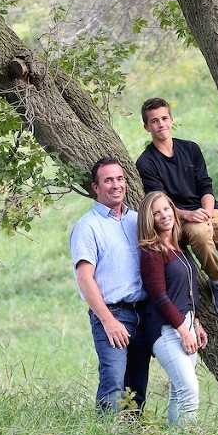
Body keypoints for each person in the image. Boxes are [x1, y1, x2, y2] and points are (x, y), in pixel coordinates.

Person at [136, 97, 218, 320]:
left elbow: (205, 185)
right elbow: (160, 201)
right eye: (154, 121)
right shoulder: (146, 162)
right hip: (182, 218)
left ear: (171, 120)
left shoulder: (190, 149)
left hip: (211, 210)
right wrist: (190, 215)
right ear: (147, 127)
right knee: (200, 234)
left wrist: (208, 215)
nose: (160, 124)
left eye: (164, 118)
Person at [69, 157, 151, 413]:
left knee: (137, 388)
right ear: (96, 187)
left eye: (120, 179)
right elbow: (85, 279)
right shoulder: (87, 227)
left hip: (144, 314)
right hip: (113, 314)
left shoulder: (138, 220)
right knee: (114, 385)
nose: (116, 185)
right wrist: (108, 321)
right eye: (108, 180)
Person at [137, 191, 209, 425]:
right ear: (150, 220)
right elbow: (159, 297)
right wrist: (183, 330)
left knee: (178, 393)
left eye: (166, 209)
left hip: (186, 324)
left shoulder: (177, 248)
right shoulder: (152, 252)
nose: (164, 215)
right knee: (190, 391)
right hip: (167, 330)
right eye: (156, 213)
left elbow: (188, 290)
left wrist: (195, 323)